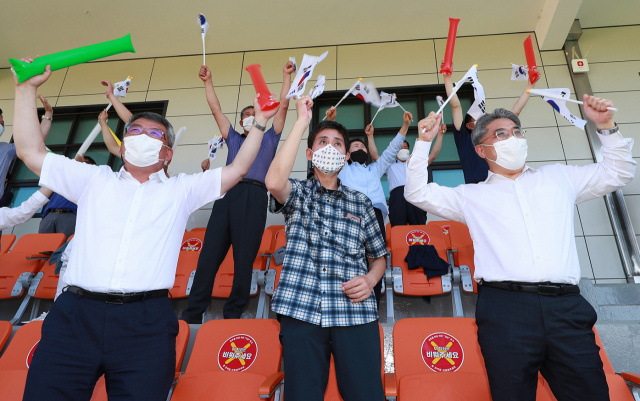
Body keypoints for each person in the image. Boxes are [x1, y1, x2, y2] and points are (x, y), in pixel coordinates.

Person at [13, 58, 278, 401]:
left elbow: (239, 167)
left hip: (147, 323)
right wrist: (25, 89)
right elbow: (29, 151)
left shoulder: (180, 190)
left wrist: (258, 124)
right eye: (134, 131)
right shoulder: (93, 179)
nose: (142, 137)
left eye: (154, 134)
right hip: (75, 317)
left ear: (167, 153)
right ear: (122, 146)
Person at [405, 96, 635, 401]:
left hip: (566, 308)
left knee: (589, 393)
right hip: (504, 309)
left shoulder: (559, 178)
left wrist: (605, 126)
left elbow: (617, 172)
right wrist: (423, 142)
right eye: (501, 134)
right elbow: (417, 192)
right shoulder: (471, 196)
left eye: (517, 131)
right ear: (481, 150)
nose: (513, 138)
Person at [265, 95, 388, 401]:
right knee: (302, 395)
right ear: (309, 153)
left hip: (355, 313)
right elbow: (273, 180)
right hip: (301, 310)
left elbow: (379, 258)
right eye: (322, 142)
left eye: (337, 143)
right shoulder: (298, 193)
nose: (330, 148)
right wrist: (302, 121)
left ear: (346, 155)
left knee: (366, 394)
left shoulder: (361, 203)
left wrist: (371, 280)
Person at [180, 60, 295, 323]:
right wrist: (208, 82)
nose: (249, 117)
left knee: (244, 261)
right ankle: (192, 313)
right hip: (227, 194)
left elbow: (284, 106)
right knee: (208, 257)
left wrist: (285, 75)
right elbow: (215, 108)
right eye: (244, 115)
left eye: (252, 112)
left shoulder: (269, 137)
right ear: (241, 121)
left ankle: (233, 314)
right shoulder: (233, 138)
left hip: (254, 197)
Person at [326, 106, 410, 304]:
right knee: (351, 260)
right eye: (355, 147)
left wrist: (405, 126)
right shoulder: (343, 169)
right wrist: (333, 123)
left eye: (362, 147)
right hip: (348, 214)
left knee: (376, 261)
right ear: (347, 153)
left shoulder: (375, 169)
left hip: (375, 215)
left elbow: (391, 152)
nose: (360, 149)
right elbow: (332, 150)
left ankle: (374, 306)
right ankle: (348, 301)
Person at [443, 64, 537, 184]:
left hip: (505, 184)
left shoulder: (496, 134)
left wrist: (531, 84)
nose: (482, 120)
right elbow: (455, 106)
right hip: (478, 188)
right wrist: (447, 77)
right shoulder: (464, 138)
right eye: (477, 118)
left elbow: (516, 110)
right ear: (469, 126)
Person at [385, 124, 445, 227]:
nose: (402, 149)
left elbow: (433, 155)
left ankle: (420, 243)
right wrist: (370, 136)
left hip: (416, 192)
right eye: (400, 148)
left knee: (419, 227)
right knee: (398, 228)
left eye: (405, 147)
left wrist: (440, 135)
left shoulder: (416, 163)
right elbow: (374, 155)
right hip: (397, 196)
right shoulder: (390, 166)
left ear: (408, 150)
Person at [38, 156, 96, 239]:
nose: (81, 164)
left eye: (85, 163)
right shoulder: (65, 177)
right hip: (50, 215)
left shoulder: (89, 180)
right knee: (42, 246)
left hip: (69, 216)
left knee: (63, 249)